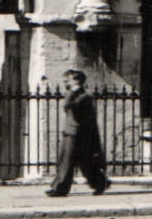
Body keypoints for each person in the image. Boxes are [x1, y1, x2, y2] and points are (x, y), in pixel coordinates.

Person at [46, 69, 110, 197]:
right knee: (79, 161)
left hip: (77, 133)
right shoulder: (77, 95)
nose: (66, 83)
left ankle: (61, 188)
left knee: (68, 161)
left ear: (76, 81)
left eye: (68, 80)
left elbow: (69, 106)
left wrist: (72, 92)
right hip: (71, 132)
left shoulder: (84, 97)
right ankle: (100, 183)